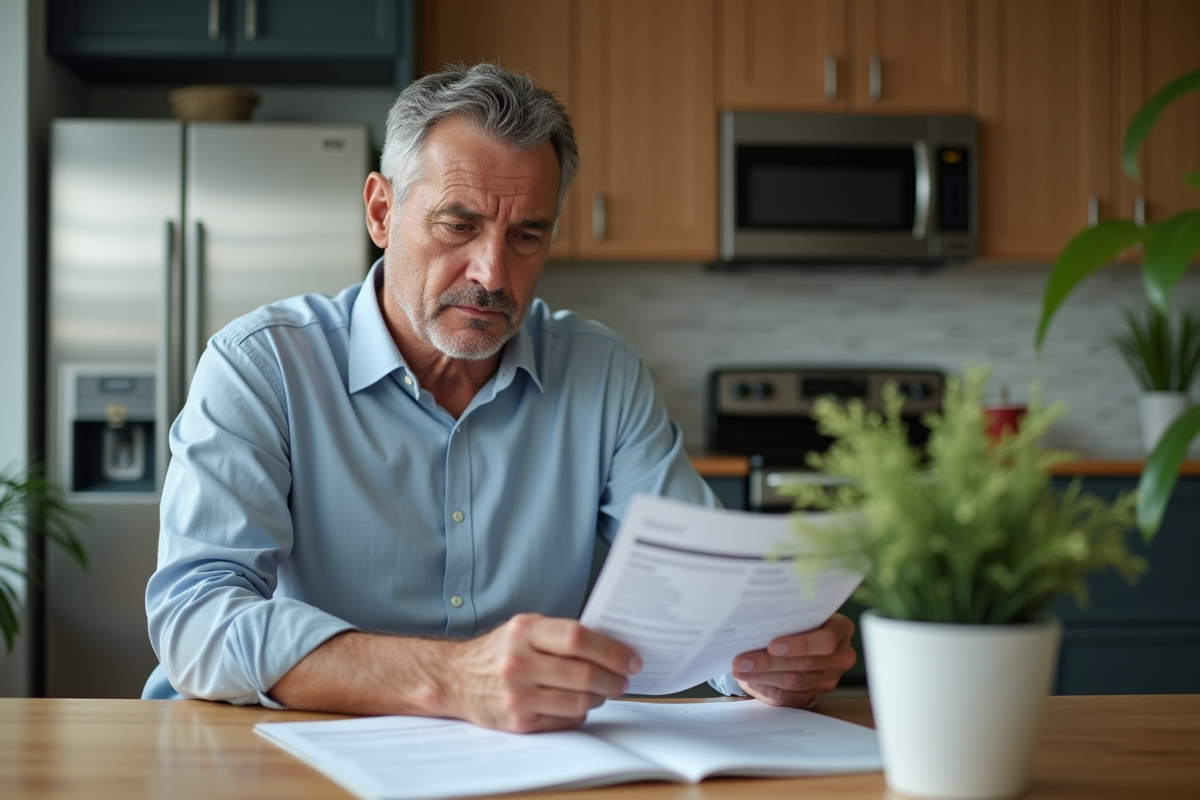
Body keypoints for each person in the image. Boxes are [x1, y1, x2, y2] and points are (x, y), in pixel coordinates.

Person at [143, 63, 855, 732]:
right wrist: (451, 678)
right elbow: (196, 620)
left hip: (527, 765)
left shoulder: (601, 374)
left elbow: (706, 597)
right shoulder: (261, 365)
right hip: (284, 753)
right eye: (459, 225)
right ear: (382, 211)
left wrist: (769, 659)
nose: (491, 272)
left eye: (527, 235)